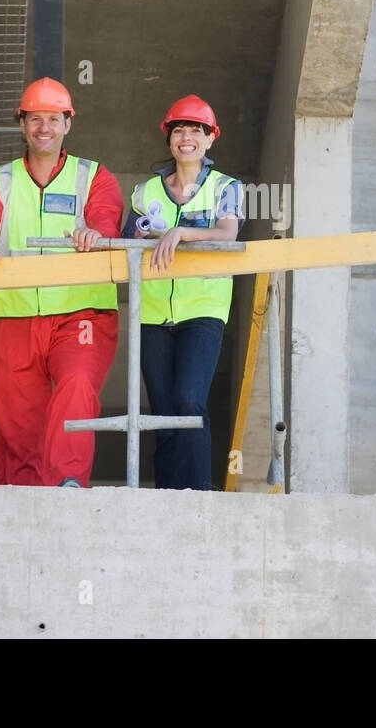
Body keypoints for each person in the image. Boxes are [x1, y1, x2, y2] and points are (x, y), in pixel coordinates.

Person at [0, 77, 124, 488]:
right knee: (15, 419)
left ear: (68, 123)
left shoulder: (94, 176)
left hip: (79, 311)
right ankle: (24, 501)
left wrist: (98, 233)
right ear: (22, 124)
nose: (44, 127)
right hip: (11, 315)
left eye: (53, 118)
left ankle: (67, 484)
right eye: (35, 119)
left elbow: (106, 212)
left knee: (76, 385)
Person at [126, 95, 242, 490]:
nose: (187, 137)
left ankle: (199, 494)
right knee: (161, 413)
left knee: (190, 400)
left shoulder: (227, 187)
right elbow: (126, 241)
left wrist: (180, 232)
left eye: (197, 130)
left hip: (203, 311)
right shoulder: (144, 192)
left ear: (211, 139)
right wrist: (138, 234)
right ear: (169, 138)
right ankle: (168, 497)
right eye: (179, 129)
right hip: (152, 314)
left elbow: (228, 235)